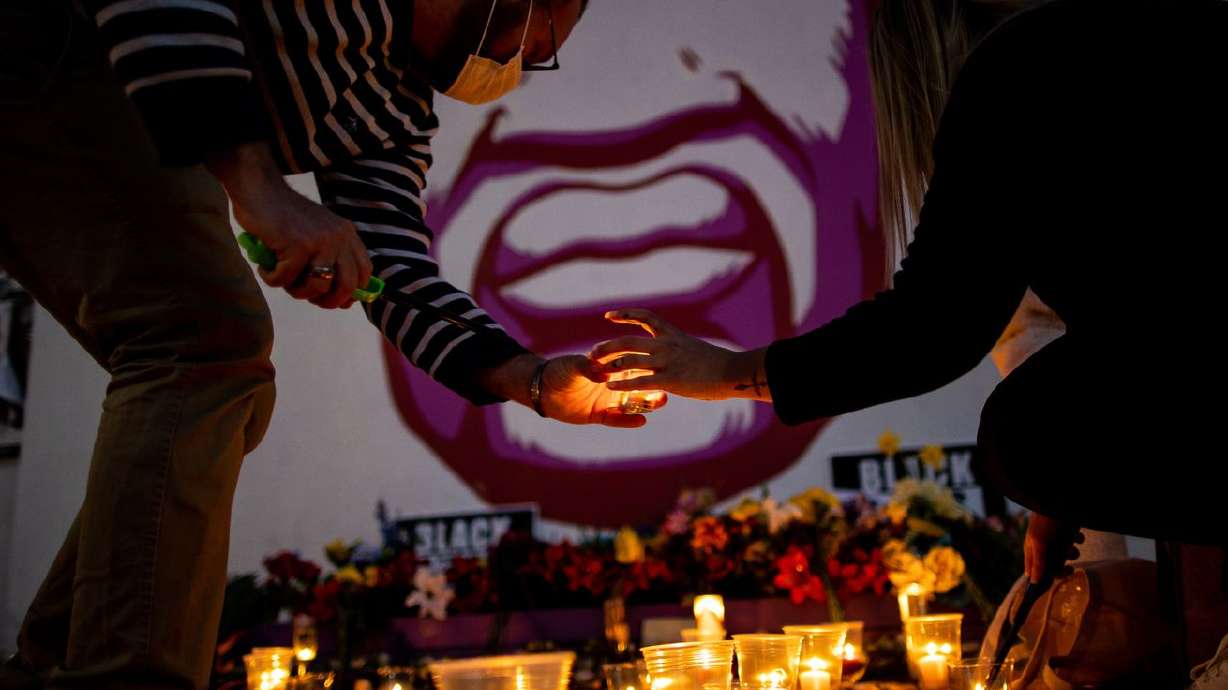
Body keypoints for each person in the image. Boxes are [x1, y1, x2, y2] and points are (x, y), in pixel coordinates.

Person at [0, 0, 650, 688]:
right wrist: (256, 183)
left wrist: (534, 379)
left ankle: (59, 662)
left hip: (144, 123)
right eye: (538, 41)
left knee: (221, 386)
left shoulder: (396, 104)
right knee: (204, 344)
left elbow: (395, 269)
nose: (519, 67)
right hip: (62, 52)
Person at [593, 0, 1227, 596]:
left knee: (1024, 431)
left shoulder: (1011, 74)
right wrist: (1069, 487)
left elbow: (934, 327)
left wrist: (727, 371)